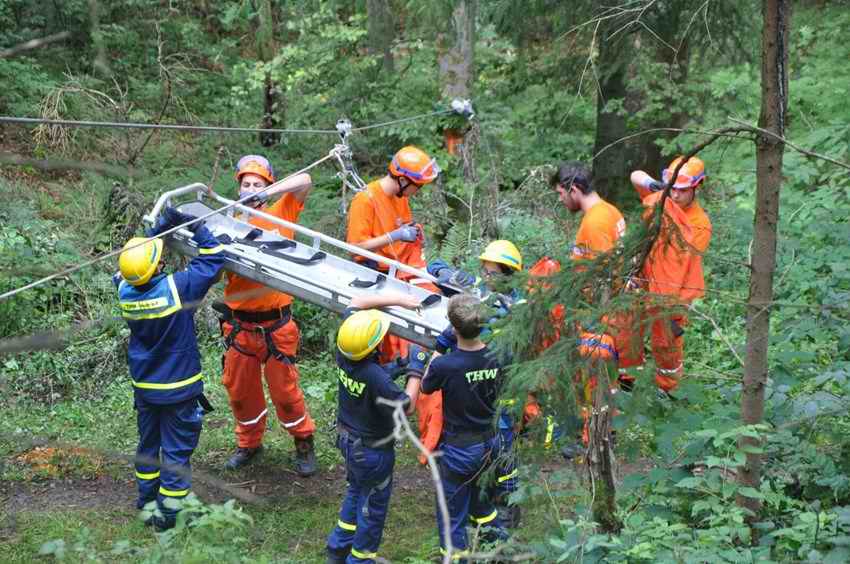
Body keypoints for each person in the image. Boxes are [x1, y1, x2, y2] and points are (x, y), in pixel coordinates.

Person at [115, 206, 226, 531]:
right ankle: (168, 516)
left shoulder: (123, 290)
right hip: (179, 390)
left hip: (147, 389)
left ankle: (147, 502)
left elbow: (131, 268)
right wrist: (190, 224)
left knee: (149, 449)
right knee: (176, 453)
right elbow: (214, 256)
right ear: (158, 266)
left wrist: (153, 237)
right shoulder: (178, 289)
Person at [219, 155, 319, 475]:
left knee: (286, 393)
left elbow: (304, 180)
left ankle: (303, 442)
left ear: (268, 186)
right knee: (241, 393)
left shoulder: (281, 213)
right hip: (241, 327)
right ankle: (249, 443)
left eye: (257, 184)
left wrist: (269, 193)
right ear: (238, 189)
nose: (250, 189)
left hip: (276, 325)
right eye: (246, 184)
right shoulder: (227, 221)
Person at [346, 146, 443, 457]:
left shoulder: (402, 198)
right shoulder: (367, 199)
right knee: (388, 353)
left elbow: (406, 246)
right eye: (419, 185)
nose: (419, 191)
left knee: (430, 326)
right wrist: (394, 237)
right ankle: (388, 409)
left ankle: (417, 406)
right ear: (403, 179)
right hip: (376, 274)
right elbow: (357, 247)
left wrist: (413, 242)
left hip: (403, 273)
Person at [428, 240, 524, 528]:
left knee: (504, 449)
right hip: (479, 383)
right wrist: (442, 344)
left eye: (492, 273)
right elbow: (462, 320)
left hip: (501, 391)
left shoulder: (515, 308)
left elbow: (502, 351)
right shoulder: (485, 291)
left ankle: (506, 504)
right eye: (484, 270)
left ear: (510, 276)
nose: (486, 277)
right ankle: (477, 497)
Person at [325, 293, 427, 564]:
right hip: (373, 453)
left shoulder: (345, 349)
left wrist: (402, 301)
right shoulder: (373, 376)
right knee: (372, 509)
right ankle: (359, 559)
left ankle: (338, 548)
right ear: (371, 349)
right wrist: (416, 369)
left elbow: (356, 303)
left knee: (356, 490)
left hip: (349, 442)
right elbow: (406, 406)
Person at [421, 294, 510, 557]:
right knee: (481, 502)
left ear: (453, 327)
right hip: (492, 444)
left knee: (451, 515)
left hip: (461, 450)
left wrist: (440, 347)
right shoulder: (498, 357)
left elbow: (426, 385)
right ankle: (501, 548)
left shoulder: (446, 365)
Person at [549, 161, 626, 455]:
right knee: (602, 376)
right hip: (606, 310)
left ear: (574, 189)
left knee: (594, 375)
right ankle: (603, 433)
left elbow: (602, 275)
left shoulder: (595, 223)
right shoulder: (609, 212)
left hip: (599, 312)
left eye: (560, 193)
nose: (560, 200)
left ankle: (594, 439)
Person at [620, 156, 712, 393]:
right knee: (627, 328)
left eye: (682, 191)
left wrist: (663, 298)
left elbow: (679, 263)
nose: (676, 195)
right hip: (645, 281)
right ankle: (627, 381)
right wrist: (655, 187)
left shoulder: (699, 224)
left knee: (666, 343)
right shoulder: (663, 198)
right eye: (673, 189)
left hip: (674, 291)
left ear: (696, 187)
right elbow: (635, 175)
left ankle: (667, 389)